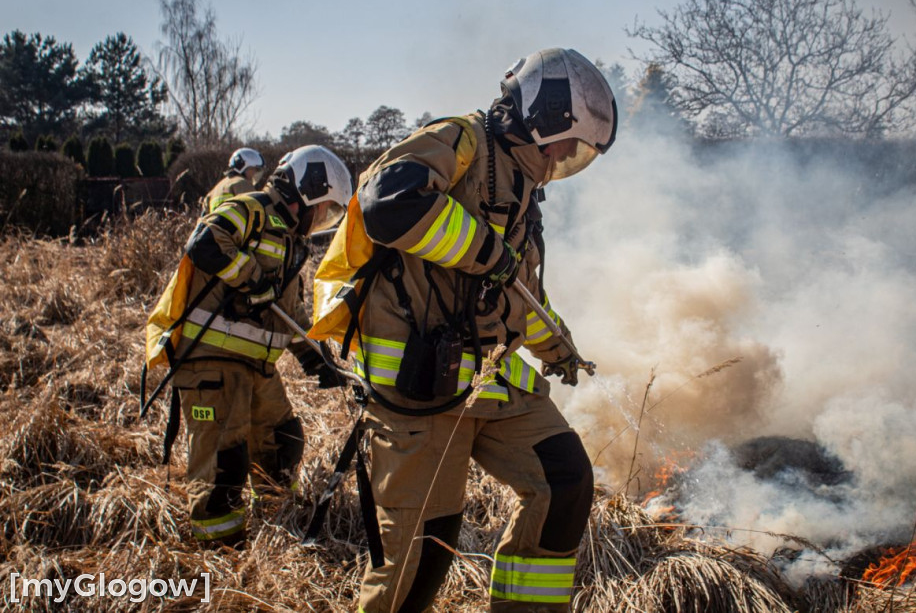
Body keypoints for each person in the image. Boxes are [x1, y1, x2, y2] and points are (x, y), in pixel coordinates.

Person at [345, 48, 617, 611]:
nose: (569, 156)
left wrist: (560, 348)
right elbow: (386, 203)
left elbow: (522, 295)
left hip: (491, 387)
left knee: (564, 482)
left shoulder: (524, 190)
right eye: (570, 140)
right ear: (544, 115)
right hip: (418, 390)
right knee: (422, 558)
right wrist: (484, 250)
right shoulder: (461, 139)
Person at [155, 145, 351, 546]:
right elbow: (207, 241)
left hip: (255, 366)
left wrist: (318, 362)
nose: (323, 219)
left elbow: (288, 314)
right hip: (211, 360)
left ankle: (277, 520)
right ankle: (220, 552)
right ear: (307, 190)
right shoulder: (252, 209)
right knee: (225, 465)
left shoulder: (292, 244)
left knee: (284, 441)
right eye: (325, 208)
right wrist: (251, 278)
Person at [202, 147, 267, 213]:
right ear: (242, 167)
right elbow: (256, 212)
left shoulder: (215, 189)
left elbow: (203, 220)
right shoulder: (242, 184)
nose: (255, 173)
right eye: (253, 169)